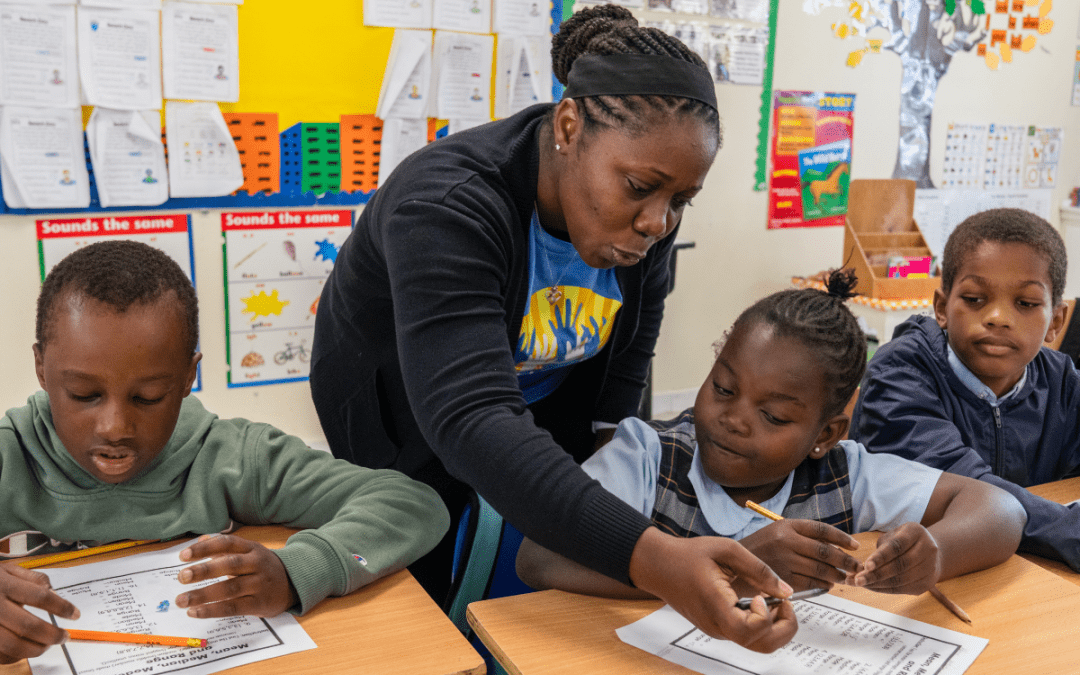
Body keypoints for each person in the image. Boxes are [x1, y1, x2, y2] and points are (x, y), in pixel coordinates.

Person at [311, 3, 797, 649]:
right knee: (421, 586)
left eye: (680, 200)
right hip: (403, 409)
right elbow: (471, 416)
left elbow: (627, 359)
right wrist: (651, 556)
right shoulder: (447, 204)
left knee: (546, 572)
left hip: (537, 392)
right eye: (641, 188)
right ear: (568, 126)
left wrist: (613, 468)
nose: (659, 223)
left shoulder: (642, 218)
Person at [0, 241, 449, 665]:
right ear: (41, 367)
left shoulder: (230, 458)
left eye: (149, 397)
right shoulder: (8, 456)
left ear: (188, 376)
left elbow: (411, 503)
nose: (115, 427)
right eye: (83, 394)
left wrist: (298, 571)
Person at [517, 270, 1026, 597]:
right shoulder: (649, 459)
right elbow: (539, 558)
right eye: (722, 388)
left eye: (774, 417)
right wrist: (738, 570)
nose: (733, 419)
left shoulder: (843, 475)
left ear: (824, 434)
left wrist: (936, 553)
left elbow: (1001, 510)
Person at [851, 208, 1080, 569]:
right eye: (975, 299)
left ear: (1056, 321)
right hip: (915, 575)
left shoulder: (1061, 380)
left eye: (1026, 303)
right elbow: (969, 490)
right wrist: (1070, 529)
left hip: (1022, 574)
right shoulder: (899, 373)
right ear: (941, 307)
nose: (998, 317)